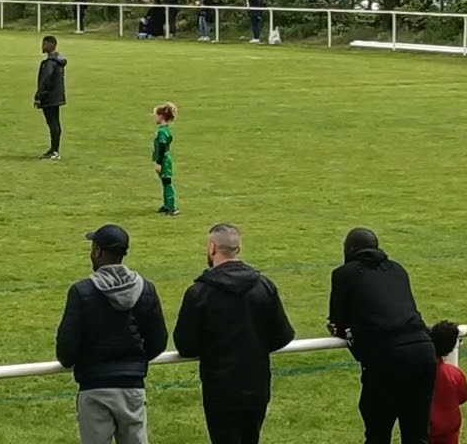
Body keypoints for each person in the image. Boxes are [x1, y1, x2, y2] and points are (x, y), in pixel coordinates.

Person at [174, 224, 295, 444]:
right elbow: (282, 335)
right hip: (256, 386)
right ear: (237, 249)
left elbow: (186, 345)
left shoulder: (199, 293)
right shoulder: (264, 286)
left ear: (212, 248)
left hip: (220, 390)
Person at [56, 224, 167, 444]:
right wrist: (134, 361)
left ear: (97, 251)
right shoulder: (146, 289)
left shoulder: (82, 291)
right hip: (132, 389)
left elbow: (66, 351)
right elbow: (158, 341)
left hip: (94, 388)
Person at [329, 228, 436, 444]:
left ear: (349, 250)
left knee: (378, 432)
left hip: (386, 357)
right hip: (422, 351)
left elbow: (338, 321)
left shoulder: (344, 274)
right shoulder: (397, 269)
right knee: (417, 433)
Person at [428, 321, 467, 444]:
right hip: (449, 433)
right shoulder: (455, 374)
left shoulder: (418, 373)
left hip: (426, 432)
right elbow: (463, 396)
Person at [35, 35, 67, 160]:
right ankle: (54, 150)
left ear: (50, 45)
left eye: (44, 44)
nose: (42, 46)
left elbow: (46, 80)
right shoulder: (58, 61)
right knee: (55, 123)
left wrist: (39, 96)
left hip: (49, 97)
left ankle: (54, 151)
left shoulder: (50, 63)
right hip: (57, 96)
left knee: (53, 123)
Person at [152, 103, 179, 217]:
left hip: (164, 160)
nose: (155, 118)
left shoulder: (162, 132)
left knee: (167, 183)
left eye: (156, 115)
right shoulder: (165, 130)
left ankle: (172, 207)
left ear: (161, 116)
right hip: (165, 159)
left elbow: (162, 147)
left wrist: (159, 163)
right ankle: (167, 204)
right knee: (164, 182)